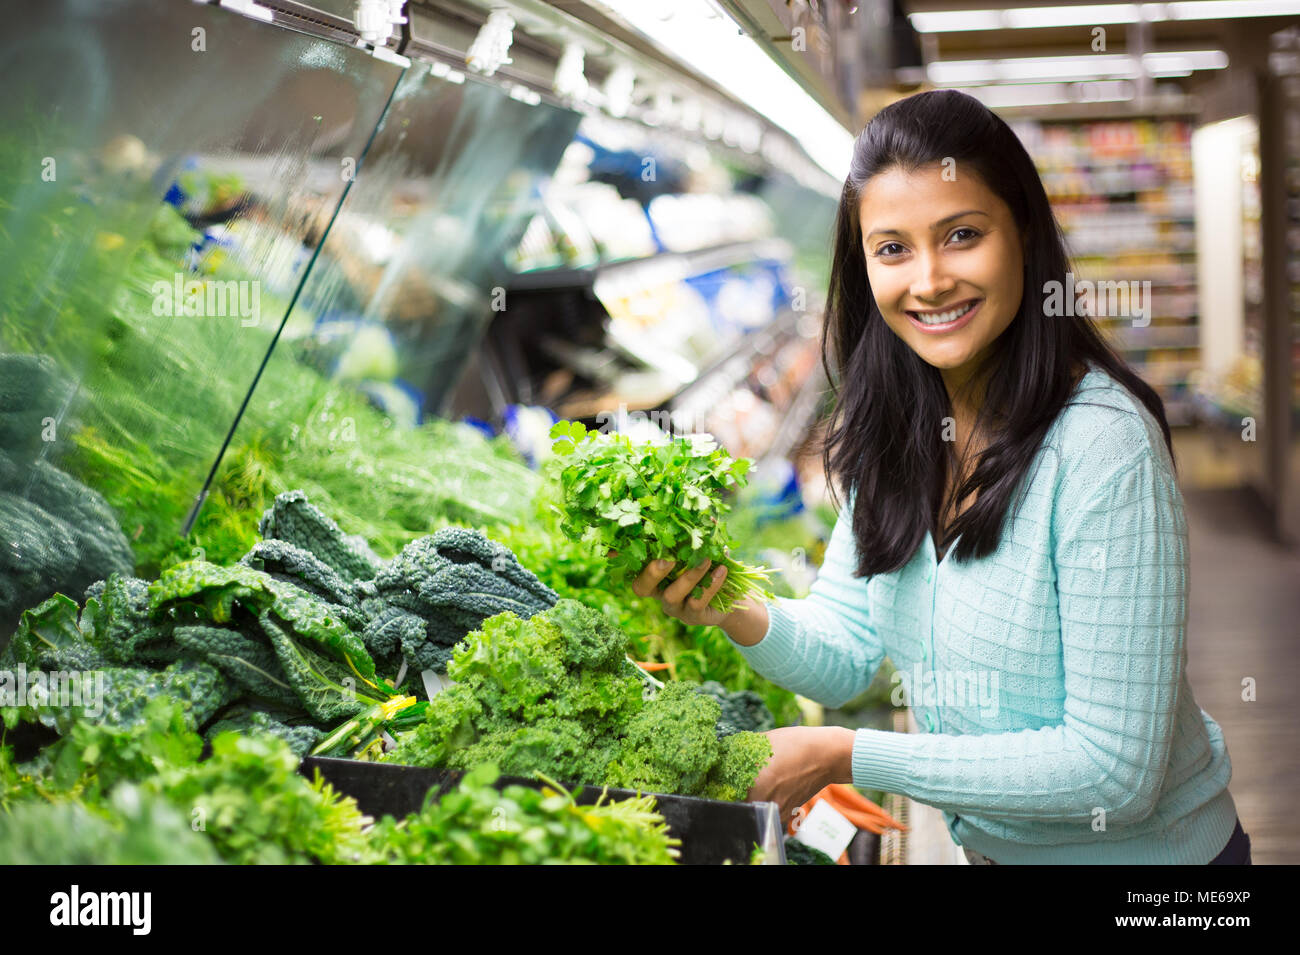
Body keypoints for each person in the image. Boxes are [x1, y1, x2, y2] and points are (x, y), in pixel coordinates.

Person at [623, 89, 1251, 865]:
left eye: (961, 235)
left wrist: (850, 754)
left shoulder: (1100, 445)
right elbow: (847, 647)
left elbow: (1113, 773)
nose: (928, 279)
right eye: (892, 248)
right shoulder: (892, 428)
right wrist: (731, 600)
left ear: (1022, 231)